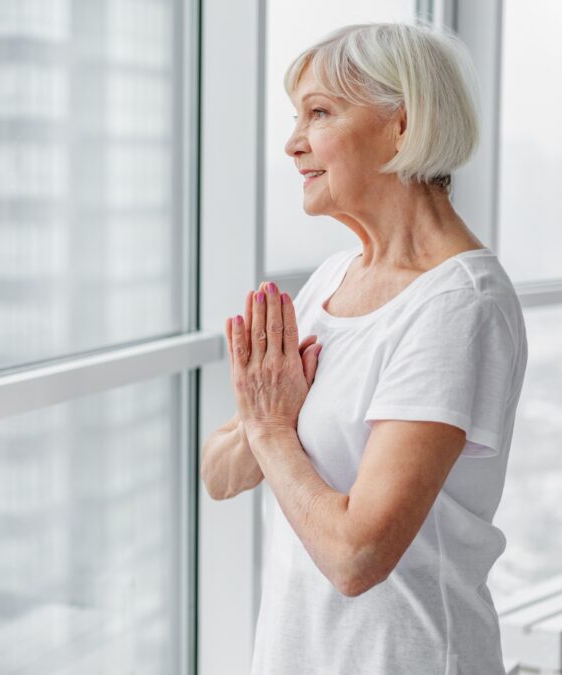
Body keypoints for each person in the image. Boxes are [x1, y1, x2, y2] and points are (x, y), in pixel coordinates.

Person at [199, 22, 528, 674]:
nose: (294, 144)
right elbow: (219, 474)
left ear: (401, 126)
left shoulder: (459, 305)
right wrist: (264, 424)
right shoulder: (331, 280)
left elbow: (357, 557)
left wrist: (269, 429)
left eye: (320, 112)